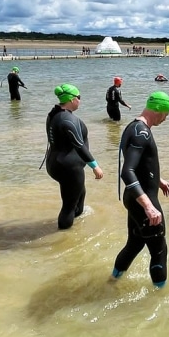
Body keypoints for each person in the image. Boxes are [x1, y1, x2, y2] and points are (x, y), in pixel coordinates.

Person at [111, 92, 169, 287]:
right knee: (159, 250)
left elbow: (138, 164)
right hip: (142, 200)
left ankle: (113, 280)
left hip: (132, 197)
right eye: (165, 114)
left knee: (135, 243)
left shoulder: (133, 127)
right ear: (158, 110)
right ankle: (160, 298)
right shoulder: (143, 133)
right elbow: (127, 171)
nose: (165, 119)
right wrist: (148, 206)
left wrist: (157, 179)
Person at [44, 84, 104, 229]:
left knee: (80, 194)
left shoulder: (54, 114)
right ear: (71, 100)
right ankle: (63, 236)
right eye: (79, 97)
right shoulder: (68, 119)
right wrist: (95, 166)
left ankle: (75, 229)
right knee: (68, 206)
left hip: (55, 163)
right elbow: (79, 145)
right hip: (69, 168)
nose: (80, 100)